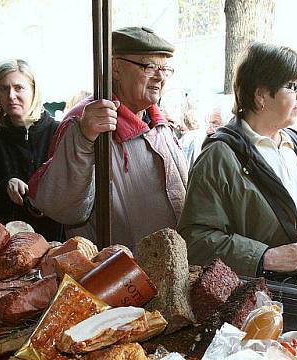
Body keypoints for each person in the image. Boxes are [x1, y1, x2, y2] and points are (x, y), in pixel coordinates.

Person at [178, 43, 297, 329]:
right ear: (261, 94)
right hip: (249, 314)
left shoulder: (295, 143)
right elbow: (195, 239)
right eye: (293, 86)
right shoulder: (219, 155)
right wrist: (265, 256)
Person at [30, 26, 188, 247]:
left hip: (169, 268)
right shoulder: (85, 124)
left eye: (164, 68)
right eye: (150, 66)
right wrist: (84, 139)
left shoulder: (160, 124)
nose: (160, 76)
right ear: (115, 68)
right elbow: (63, 208)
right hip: (119, 274)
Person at [0, 59, 63, 240]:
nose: (11, 95)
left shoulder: (60, 132)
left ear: (33, 90)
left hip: (60, 239)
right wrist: (5, 186)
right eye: (4, 88)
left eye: (18, 88)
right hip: (15, 241)